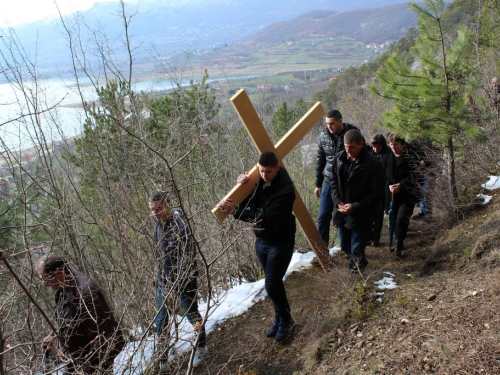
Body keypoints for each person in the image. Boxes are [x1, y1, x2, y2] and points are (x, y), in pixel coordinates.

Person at [218, 151, 296, 342]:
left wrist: (235, 212)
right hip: (261, 241)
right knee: (274, 284)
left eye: (268, 172)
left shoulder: (286, 190)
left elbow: (264, 217)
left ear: (277, 168)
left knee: (271, 284)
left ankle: (286, 320)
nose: (263, 175)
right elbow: (249, 203)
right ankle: (279, 318)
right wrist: (241, 185)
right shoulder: (258, 179)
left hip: (280, 242)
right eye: (260, 171)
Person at [35, 253, 125, 374]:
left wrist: (87, 370)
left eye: (45, 279)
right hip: (78, 360)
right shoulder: (63, 288)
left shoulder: (85, 294)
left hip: (95, 363)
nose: (45, 284)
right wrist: (53, 334)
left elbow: (100, 338)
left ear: (59, 274)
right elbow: (66, 317)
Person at [148, 191, 207, 369]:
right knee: (162, 319)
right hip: (165, 278)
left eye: (158, 208)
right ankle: (163, 358)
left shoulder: (181, 225)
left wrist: (178, 282)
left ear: (168, 205)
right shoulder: (158, 225)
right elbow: (159, 252)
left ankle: (202, 345)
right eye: (152, 209)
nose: (155, 212)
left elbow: (188, 256)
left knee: (191, 313)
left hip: (184, 278)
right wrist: (157, 274)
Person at [330, 130, 385, 272]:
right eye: (346, 146)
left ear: (361, 144)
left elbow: (377, 193)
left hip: (362, 213)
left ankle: (355, 277)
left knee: (357, 247)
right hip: (342, 212)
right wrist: (338, 202)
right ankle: (360, 262)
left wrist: (355, 207)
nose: (348, 151)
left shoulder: (373, 163)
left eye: (352, 147)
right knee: (345, 246)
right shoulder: (339, 159)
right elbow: (333, 182)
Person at [315, 109, 360, 249]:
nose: (329, 126)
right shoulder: (324, 135)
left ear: (340, 121)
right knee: (323, 217)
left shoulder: (353, 132)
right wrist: (318, 184)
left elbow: (361, 156)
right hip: (329, 180)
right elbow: (320, 160)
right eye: (327, 124)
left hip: (348, 181)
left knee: (345, 216)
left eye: (332, 124)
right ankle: (322, 252)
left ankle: (348, 249)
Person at [384, 133, 421, 255]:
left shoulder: (410, 157)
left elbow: (416, 176)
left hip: (408, 194)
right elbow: (384, 175)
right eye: (391, 144)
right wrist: (390, 185)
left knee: (402, 217)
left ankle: (399, 242)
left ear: (402, 144)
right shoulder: (387, 157)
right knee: (393, 219)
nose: (394, 147)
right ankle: (396, 240)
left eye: (396, 144)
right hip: (392, 194)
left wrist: (402, 185)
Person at [369, 134, 392, 246]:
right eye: (374, 147)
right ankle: (369, 236)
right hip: (370, 187)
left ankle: (376, 238)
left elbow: (390, 174)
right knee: (369, 213)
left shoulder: (388, 155)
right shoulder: (369, 154)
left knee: (379, 213)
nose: (376, 149)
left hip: (384, 187)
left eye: (378, 147)